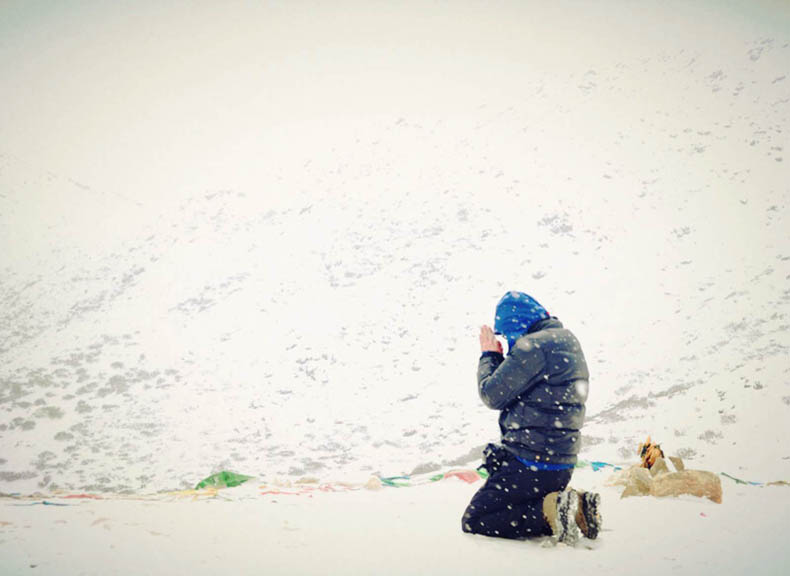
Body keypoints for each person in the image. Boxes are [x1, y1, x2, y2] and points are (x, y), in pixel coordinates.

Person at [461, 291, 601, 545]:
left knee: (476, 518)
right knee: (511, 503)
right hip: (561, 465)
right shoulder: (565, 340)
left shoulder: (533, 346)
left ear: (515, 325)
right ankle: (575, 506)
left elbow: (492, 394)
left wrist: (490, 355)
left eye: (506, 333)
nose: (509, 340)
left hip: (531, 465)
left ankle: (554, 513)